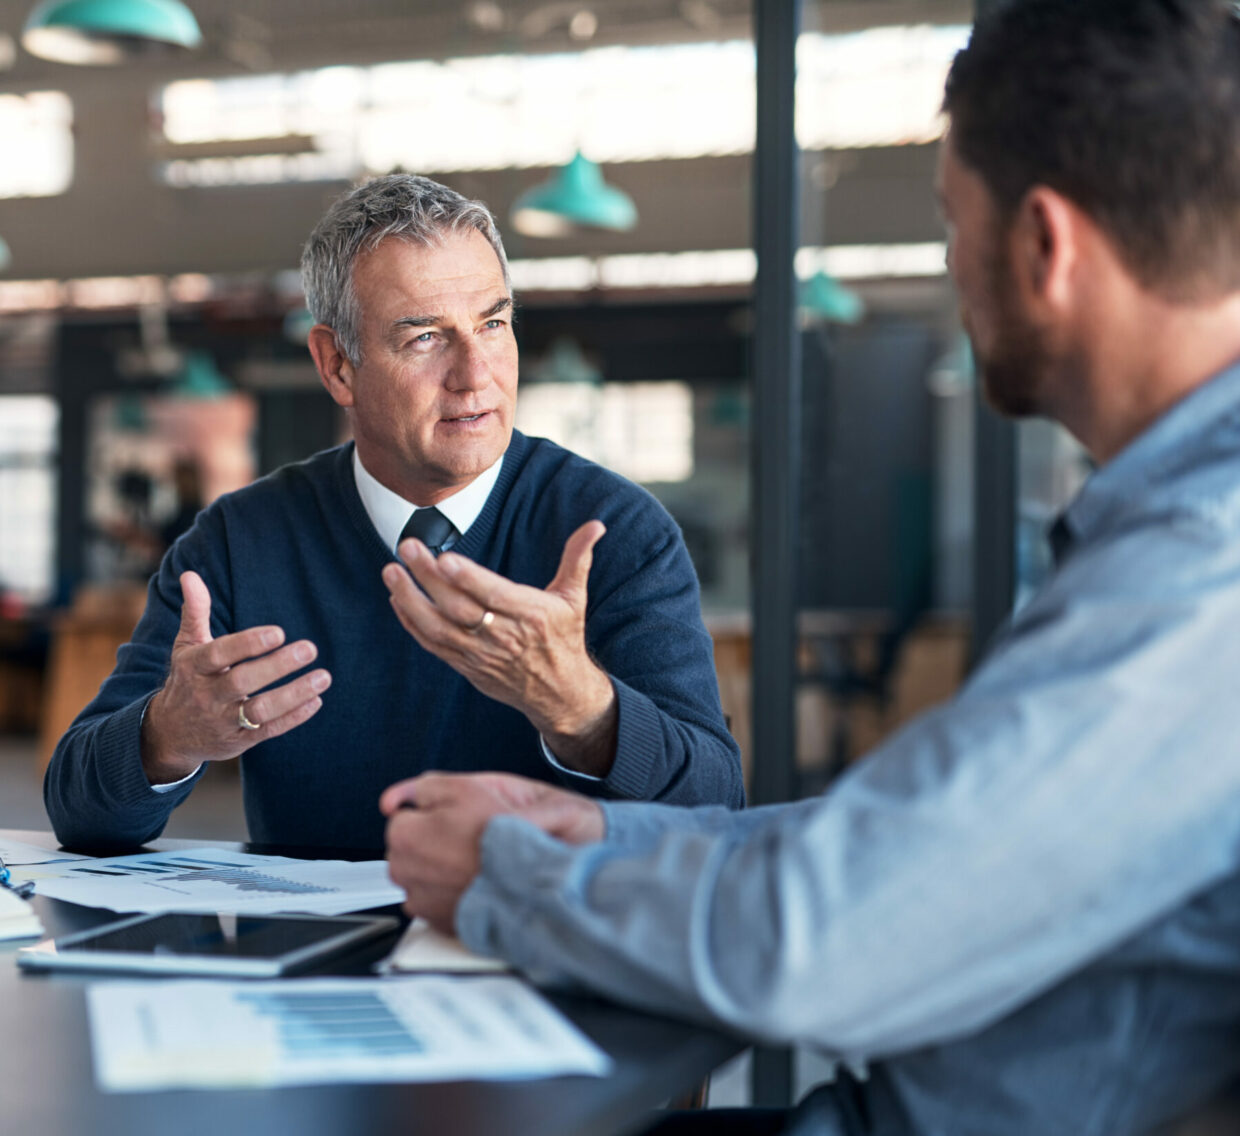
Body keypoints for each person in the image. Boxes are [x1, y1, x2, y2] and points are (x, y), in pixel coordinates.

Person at [383, 2, 1240, 1132]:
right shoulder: (1168, 534)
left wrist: (507, 878)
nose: (951, 272)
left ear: (1044, 246)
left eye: (953, 224)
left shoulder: (1199, 570)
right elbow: (919, 843)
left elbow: (827, 934)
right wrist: (599, 830)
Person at [45, 174, 742, 852]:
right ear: (337, 365)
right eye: (426, 338)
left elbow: (716, 807)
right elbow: (78, 813)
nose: (476, 374)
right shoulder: (237, 542)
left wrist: (585, 711)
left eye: (493, 324)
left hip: (530, 948)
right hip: (307, 958)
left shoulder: (614, 532)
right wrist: (166, 735)